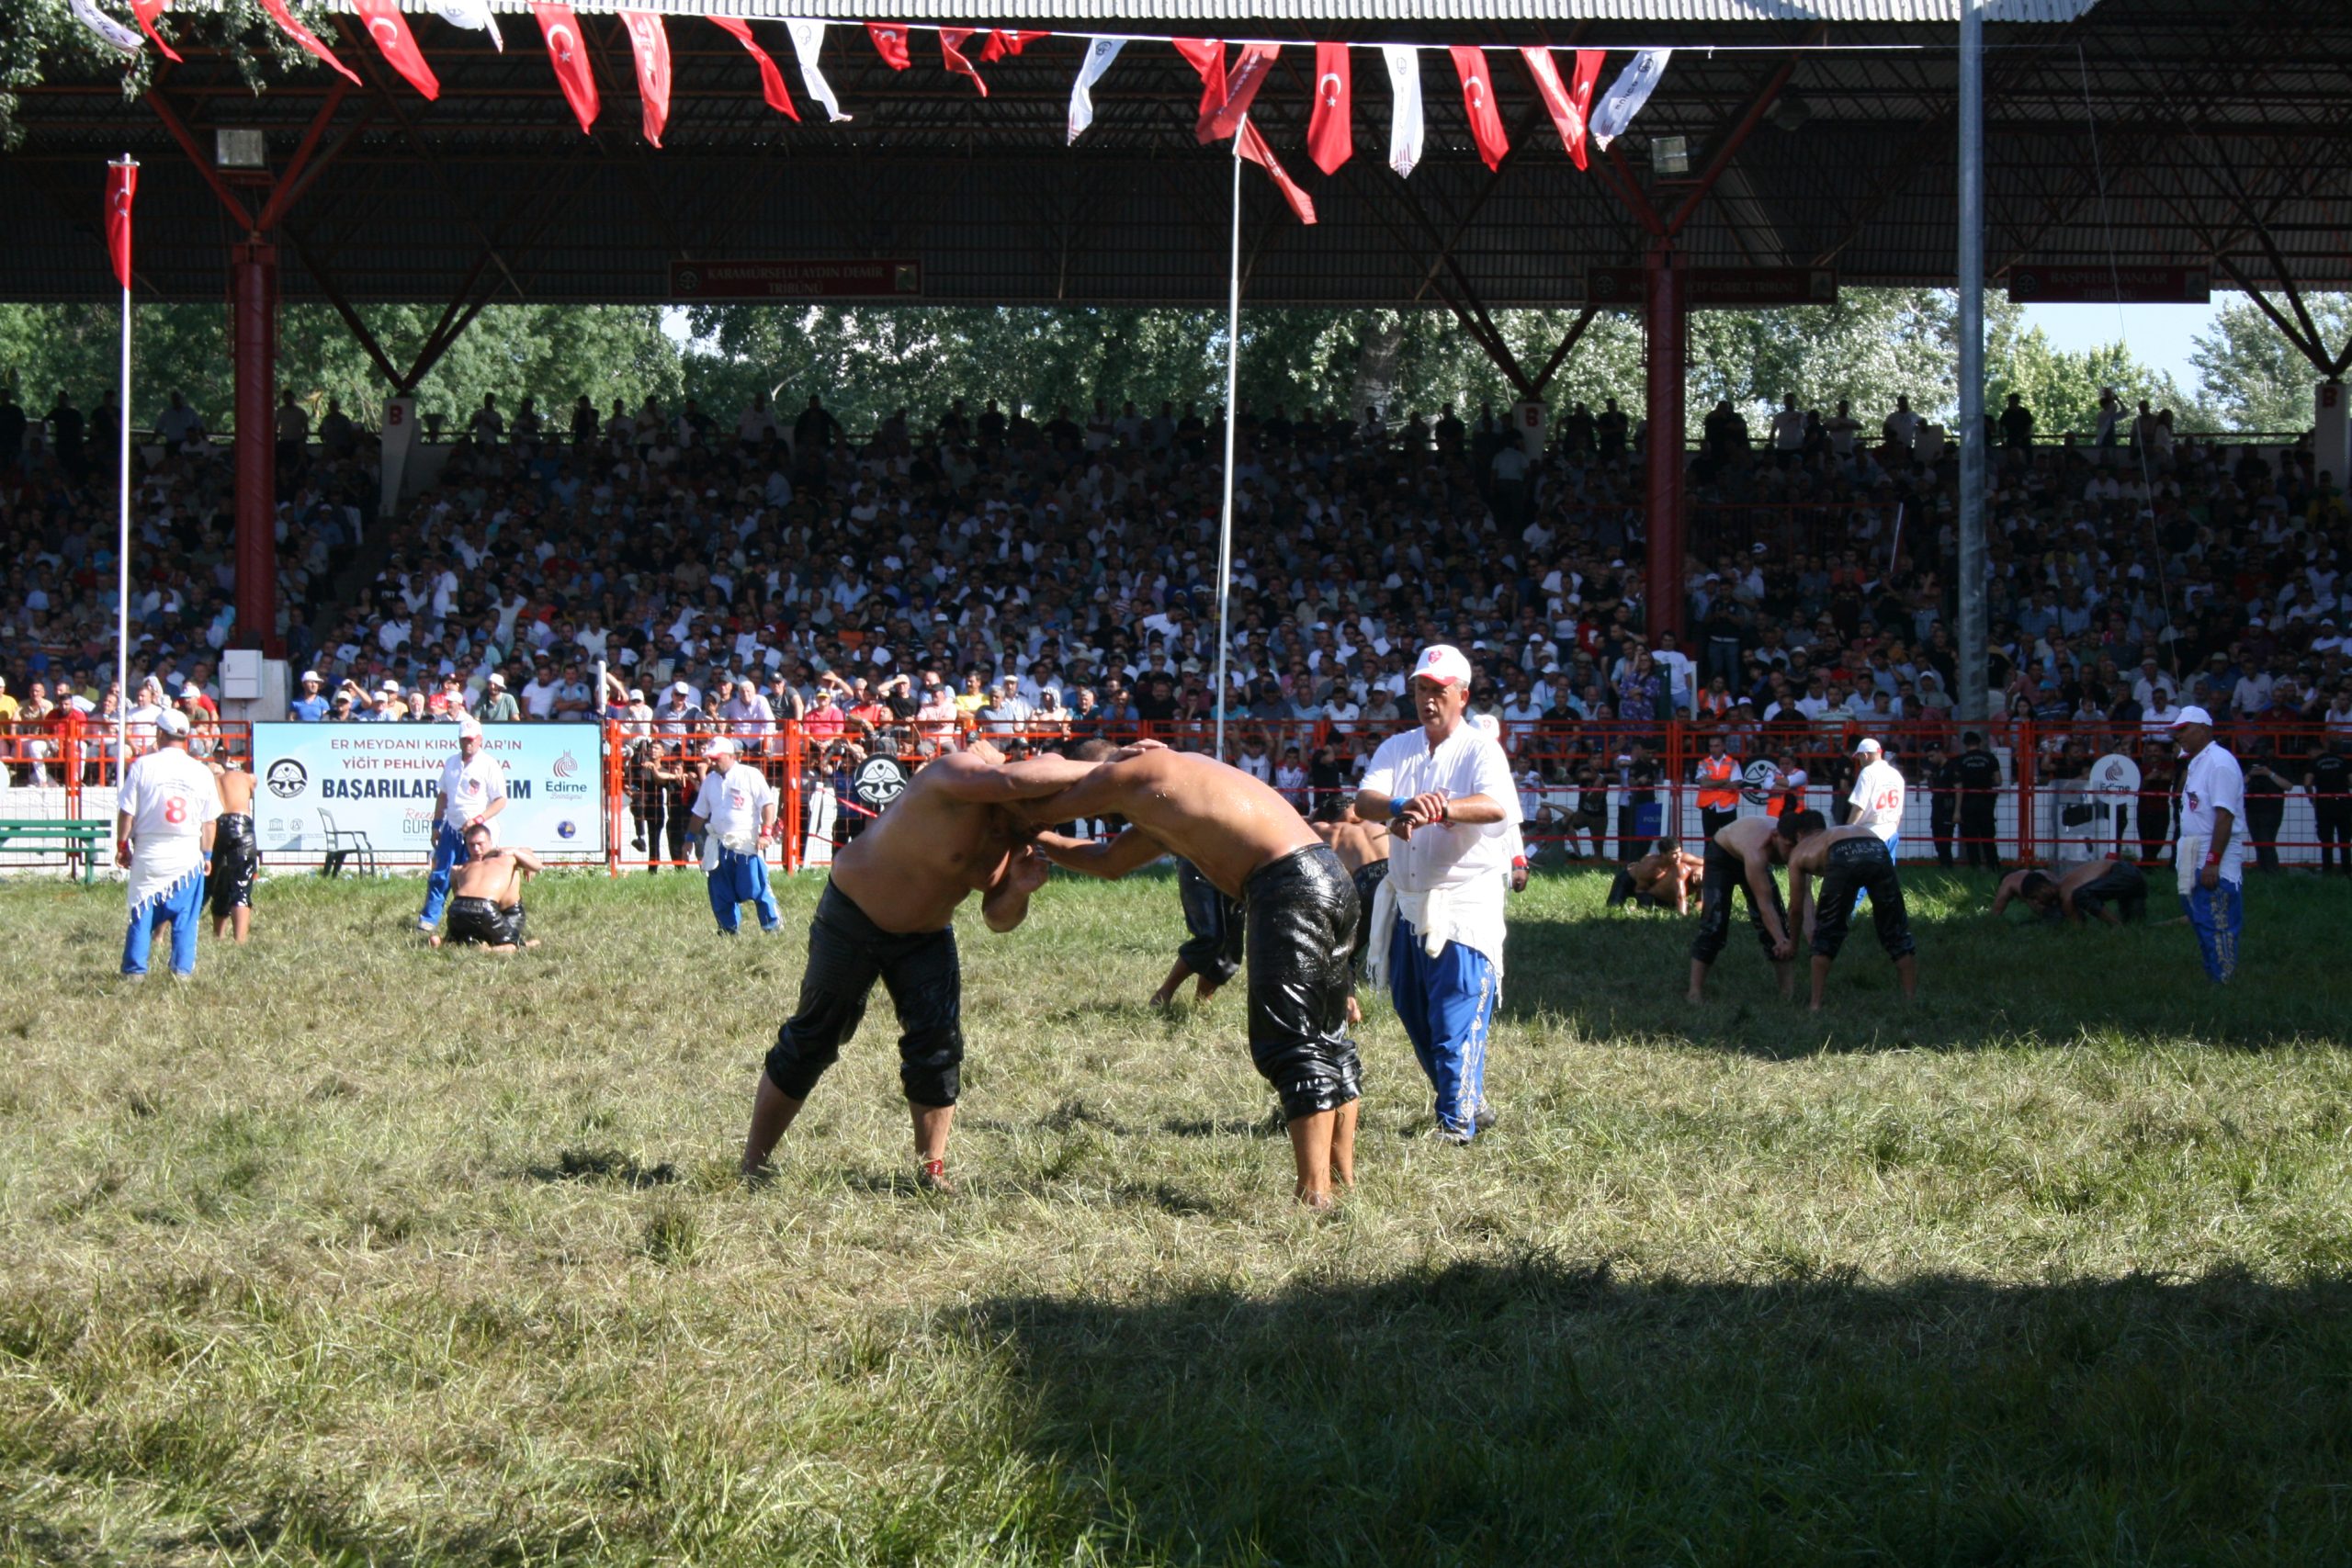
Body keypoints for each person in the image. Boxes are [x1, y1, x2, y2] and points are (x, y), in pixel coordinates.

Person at [740, 739, 1097, 1196]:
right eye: (1043, 805)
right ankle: (753, 1163)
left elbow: (996, 919)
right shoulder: (956, 775)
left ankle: (931, 1171)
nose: (1042, 822)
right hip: (853, 915)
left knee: (939, 1044)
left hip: (926, 935)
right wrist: (1098, 772)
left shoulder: (1018, 843)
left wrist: (1020, 890)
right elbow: (1006, 778)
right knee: (814, 1036)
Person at [1025, 741, 1363, 1205]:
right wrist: (1037, 841)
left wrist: (1005, 815)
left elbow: (1047, 797)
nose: (1104, 815)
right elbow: (1106, 863)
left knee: (1291, 1044)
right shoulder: (1171, 790)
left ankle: (1315, 1195)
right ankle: (1341, 1179)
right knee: (1329, 1037)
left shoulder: (1138, 771)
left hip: (1287, 885)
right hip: (1329, 876)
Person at [1353, 644, 1514, 1145]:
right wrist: (1402, 805)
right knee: (1415, 1011)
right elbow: (1364, 800)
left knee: (1452, 1019)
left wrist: (1440, 810)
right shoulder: (1397, 748)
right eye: (1421, 689)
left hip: (1463, 906)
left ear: (1462, 696)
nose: (1428, 699)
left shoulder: (1481, 748)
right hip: (1409, 903)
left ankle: (1455, 1126)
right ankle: (1467, 1099)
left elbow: (1495, 808)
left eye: (1439, 691)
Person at [114, 709, 217, 980]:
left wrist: (122, 845)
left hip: (150, 848)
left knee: (141, 911)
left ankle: (135, 971)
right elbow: (209, 822)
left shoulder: (142, 766)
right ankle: (181, 971)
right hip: (186, 850)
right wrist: (207, 854)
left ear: (159, 733)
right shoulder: (201, 771)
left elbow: (127, 812)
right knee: (186, 919)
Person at [1782, 811, 1919, 1011]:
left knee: (1827, 932)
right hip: (1876, 846)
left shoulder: (1799, 851)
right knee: (1895, 927)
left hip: (1841, 854)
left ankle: (1815, 1004)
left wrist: (1793, 944)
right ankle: (1911, 999)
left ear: (1799, 834)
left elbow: (1796, 908)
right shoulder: (1835, 832)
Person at [1687, 813, 1801, 1003]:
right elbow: (1764, 904)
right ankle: (1694, 991)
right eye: (1788, 846)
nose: (1791, 853)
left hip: (1746, 847)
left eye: (1795, 847)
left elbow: (1803, 900)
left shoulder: (1796, 847)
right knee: (1714, 924)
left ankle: (1787, 993)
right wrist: (1781, 940)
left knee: (1780, 923)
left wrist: (1802, 938)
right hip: (1723, 854)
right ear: (1775, 837)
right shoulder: (1757, 850)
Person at [2171, 706, 2244, 984]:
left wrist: (2213, 860)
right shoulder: (2196, 761)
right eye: (2177, 732)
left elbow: (2224, 816)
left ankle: (2222, 978)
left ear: (2203, 728)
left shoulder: (2220, 763)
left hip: (2211, 852)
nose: (2179, 737)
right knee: (2199, 915)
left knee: (2218, 918)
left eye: (2184, 730)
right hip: (2191, 849)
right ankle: (2212, 972)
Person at [417, 718, 507, 934]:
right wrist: (436, 825)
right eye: (464, 739)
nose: (468, 743)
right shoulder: (451, 763)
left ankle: (480, 921)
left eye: (472, 739)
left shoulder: (489, 764)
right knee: (441, 874)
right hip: (452, 828)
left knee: (476, 876)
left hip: (477, 832)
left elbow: (501, 800)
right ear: (459, 740)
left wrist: (478, 819)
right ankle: (429, 920)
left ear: (480, 740)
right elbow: (443, 796)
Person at [689, 735, 780, 935]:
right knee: (720, 890)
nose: (712, 762)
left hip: (745, 842)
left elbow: (767, 804)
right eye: (710, 758)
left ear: (731, 756)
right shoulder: (710, 781)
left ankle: (771, 925)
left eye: (716, 758)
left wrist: (766, 832)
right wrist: (689, 838)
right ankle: (728, 928)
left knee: (755, 886)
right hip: (719, 842)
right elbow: (699, 812)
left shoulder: (750, 774)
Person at [1311, 796, 1390, 1022]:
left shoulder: (1323, 828)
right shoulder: (1379, 826)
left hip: (1366, 881)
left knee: (1341, 950)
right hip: (1400, 880)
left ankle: (1349, 1008)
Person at [432, 822, 542, 953]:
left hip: (458, 910)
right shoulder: (508, 857)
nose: (476, 849)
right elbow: (537, 865)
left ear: (490, 842)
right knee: (517, 944)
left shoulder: (460, 868)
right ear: (466, 845)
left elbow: (526, 850)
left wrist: (520, 856)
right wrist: (522, 858)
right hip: (487, 908)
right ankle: (491, 950)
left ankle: (445, 941)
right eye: (471, 845)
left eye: (480, 844)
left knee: (463, 937)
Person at [1150, 860, 1245, 1008]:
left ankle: (1202, 1002)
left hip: (1235, 866)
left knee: (1230, 948)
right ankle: (1164, 993)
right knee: (1210, 937)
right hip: (1198, 861)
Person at [1992, 857, 2149, 925]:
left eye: (2035, 898)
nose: (2036, 902)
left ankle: (2116, 927)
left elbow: (2078, 927)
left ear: (2045, 888)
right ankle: (2123, 926)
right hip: (2133, 877)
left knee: (2081, 895)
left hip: (2123, 873)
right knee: (2136, 925)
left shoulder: (2066, 893)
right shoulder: (2053, 879)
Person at [208, 755, 259, 944]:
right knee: (241, 884)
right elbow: (254, 787)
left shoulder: (206, 780)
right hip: (240, 824)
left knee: (212, 884)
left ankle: (217, 935)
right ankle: (240, 940)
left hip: (214, 823)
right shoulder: (243, 777)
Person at [1608, 837, 1704, 913]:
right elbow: (1641, 890)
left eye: (1680, 851)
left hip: (1650, 885)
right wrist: (1643, 907)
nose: (1679, 855)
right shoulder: (1650, 867)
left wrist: (1700, 869)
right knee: (1613, 909)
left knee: (1668, 906)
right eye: (1674, 853)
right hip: (1628, 881)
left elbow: (1708, 863)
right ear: (1663, 855)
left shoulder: (1682, 857)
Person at [1953, 731, 2004, 870]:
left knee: (1971, 839)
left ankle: (1974, 867)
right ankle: (1993, 866)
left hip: (1967, 802)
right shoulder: (1990, 757)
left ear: (1965, 744)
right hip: (1986, 801)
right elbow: (1999, 781)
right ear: (1979, 743)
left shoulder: (1960, 760)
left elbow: (1958, 784)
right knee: (1988, 837)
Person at [2307, 738, 2351, 875]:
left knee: (2326, 840)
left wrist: (2311, 798)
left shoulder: (2314, 763)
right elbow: (2351, 781)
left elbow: (2307, 782)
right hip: (2343, 802)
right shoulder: (2343, 761)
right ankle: (2347, 870)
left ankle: (2327, 870)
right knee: (2345, 839)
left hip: (2324, 803)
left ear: (2312, 751)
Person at [1694, 734, 1740, 843]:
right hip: (1709, 807)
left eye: (1716, 746)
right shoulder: (1703, 763)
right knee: (1709, 842)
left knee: (1730, 842)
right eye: (1711, 746)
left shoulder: (1733, 763)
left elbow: (1734, 785)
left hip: (1728, 807)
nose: (1713, 749)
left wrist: (1712, 783)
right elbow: (1703, 784)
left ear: (1723, 746)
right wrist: (1724, 781)